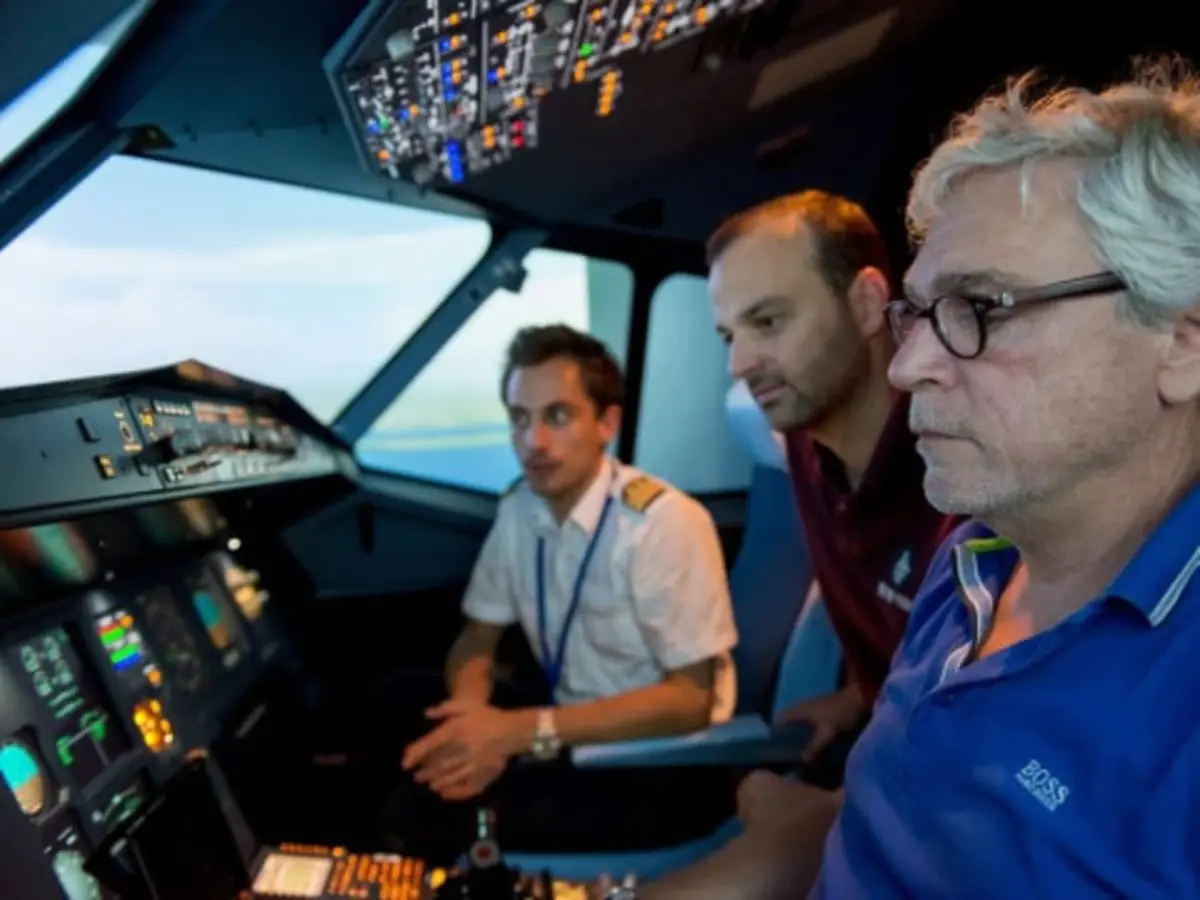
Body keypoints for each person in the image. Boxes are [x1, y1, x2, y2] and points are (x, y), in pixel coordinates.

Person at [654, 58, 1200, 899]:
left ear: (1182, 341)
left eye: (982, 308)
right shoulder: (969, 563)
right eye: (919, 314)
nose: (906, 367)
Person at [387, 323, 740, 861]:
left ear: (607, 422)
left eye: (557, 416)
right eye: (519, 419)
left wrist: (517, 734)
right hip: (568, 720)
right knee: (390, 700)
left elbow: (690, 701)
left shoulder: (662, 524)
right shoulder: (519, 510)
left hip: (657, 760)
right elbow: (477, 637)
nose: (534, 443)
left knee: (428, 820)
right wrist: (469, 722)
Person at [708, 190, 962, 773]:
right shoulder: (803, 438)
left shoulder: (964, 468)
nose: (738, 364)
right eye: (729, 335)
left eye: (768, 321)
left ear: (869, 301)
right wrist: (855, 699)